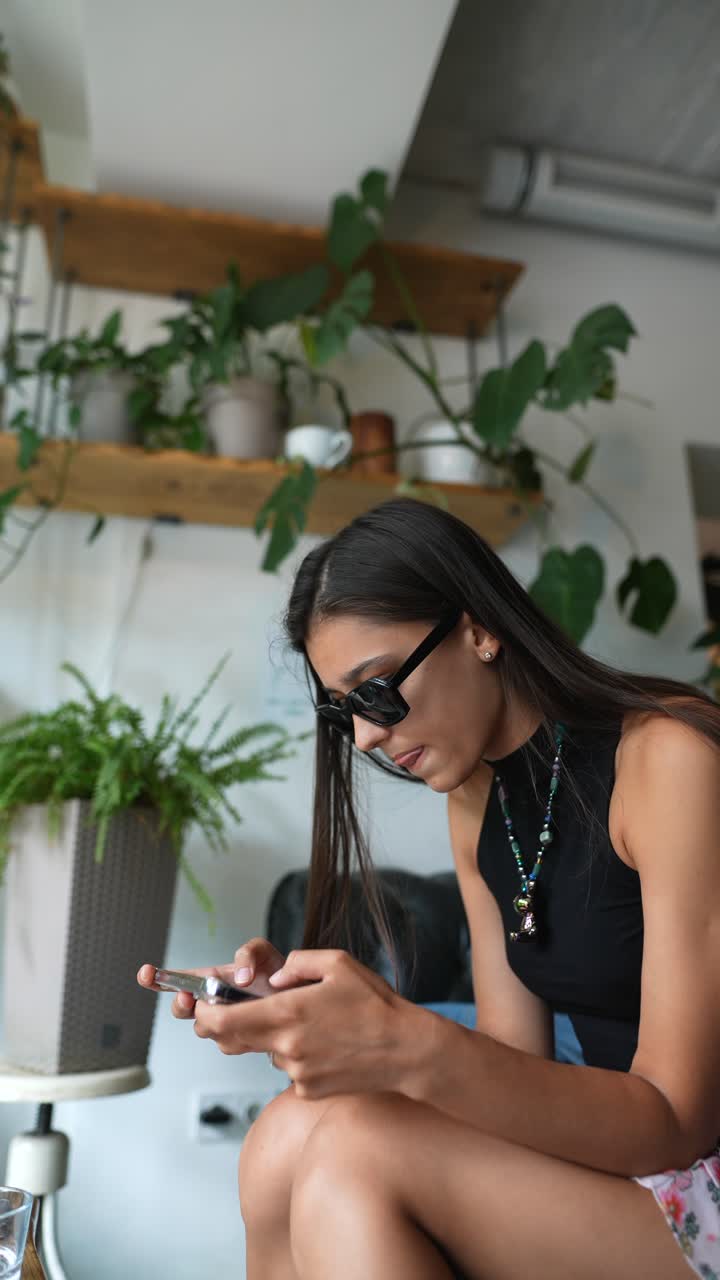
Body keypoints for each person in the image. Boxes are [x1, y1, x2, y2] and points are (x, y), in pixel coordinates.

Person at [139, 497, 720, 1280]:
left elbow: (677, 1124)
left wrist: (403, 1044)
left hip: (697, 1180)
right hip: (638, 1178)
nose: (369, 735)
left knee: (354, 1154)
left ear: (479, 628)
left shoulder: (668, 760)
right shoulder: (477, 803)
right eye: (346, 713)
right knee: (286, 1134)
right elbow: (516, 1072)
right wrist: (325, 1019)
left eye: (376, 690)